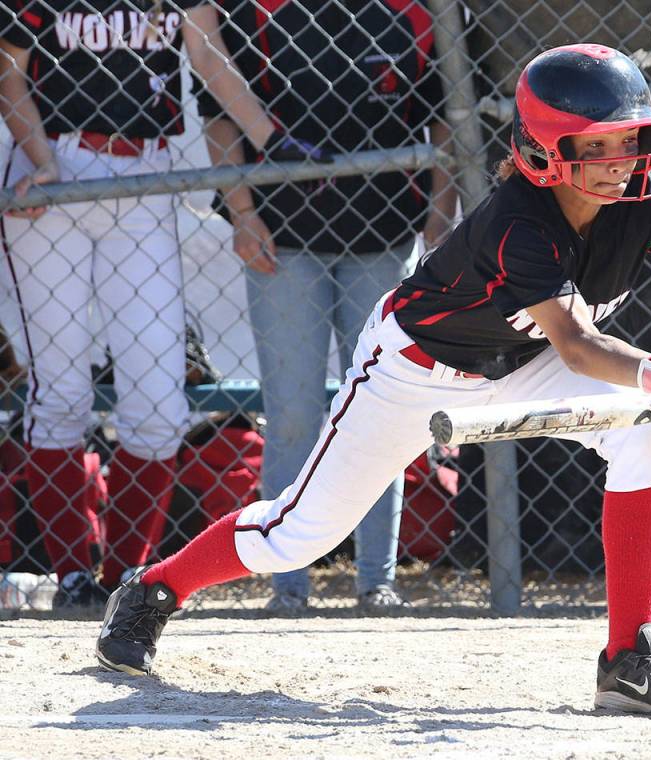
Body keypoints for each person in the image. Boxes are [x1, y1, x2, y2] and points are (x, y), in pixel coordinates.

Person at [95, 45, 651, 720]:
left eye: (633, 139)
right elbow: (577, 340)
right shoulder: (516, 219)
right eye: (599, 145)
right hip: (414, 370)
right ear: (545, 151)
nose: (625, 158)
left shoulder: (649, 196)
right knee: (300, 533)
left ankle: (629, 657)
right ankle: (155, 589)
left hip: (524, 365)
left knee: (647, 434)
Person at [183, 0, 456, 611]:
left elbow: (445, 117)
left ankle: (376, 581)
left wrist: (441, 216)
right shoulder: (251, 14)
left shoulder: (414, 12)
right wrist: (243, 214)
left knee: (385, 410)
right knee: (295, 414)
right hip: (284, 239)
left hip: (383, 234)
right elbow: (221, 117)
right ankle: (288, 583)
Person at [0, 0, 215, 607]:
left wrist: (275, 142)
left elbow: (208, 55)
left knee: (159, 405)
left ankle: (127, 578)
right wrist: (41, 161)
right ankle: (72, 577)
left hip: (145, 174)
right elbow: (8, 72)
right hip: (54, 168)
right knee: (61, 390)